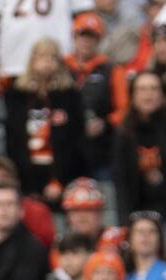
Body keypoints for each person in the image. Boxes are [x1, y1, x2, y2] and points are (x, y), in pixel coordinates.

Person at [3, 38, 86, 206]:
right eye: (41, 57)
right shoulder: (17, 94)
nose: (46, 63)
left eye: (52, 58)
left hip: (62, 177)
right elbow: (13, 138)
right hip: (26, 177)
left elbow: (76, 141)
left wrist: (60, 180)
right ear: (32, 61)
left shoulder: (70, 95)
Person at [0, 0, 93, 90]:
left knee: (60, 115)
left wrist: (81, 54)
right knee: (18, 115)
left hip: (59, 62)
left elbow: (82, 14)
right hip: (14, 62)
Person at [66, 13, 118, 178]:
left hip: (101, 149)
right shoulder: (62, 68)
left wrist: (105, 123)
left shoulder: (111, 69)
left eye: (92, 37)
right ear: (74, 37)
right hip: (67, 148)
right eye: (82, 35)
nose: (86, 41)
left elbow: (123, 109)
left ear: (99, 40)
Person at [113, 70, 166, 220]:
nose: (148, 94)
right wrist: (125, 221)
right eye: (142, 89)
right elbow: (121, 179)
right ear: (133, 96)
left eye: (154, 88)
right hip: (134, 212)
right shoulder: (123, 132)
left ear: (162, 95)